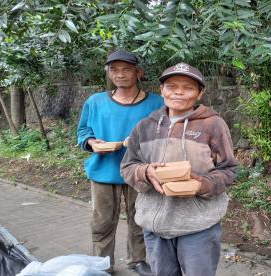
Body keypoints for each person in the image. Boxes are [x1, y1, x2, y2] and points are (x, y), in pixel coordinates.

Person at [120, 62, 238, 276]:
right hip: (154, 225)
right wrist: (146, 172)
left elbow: (229, 170)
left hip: (198, 225)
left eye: (188, 87)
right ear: (162, 90)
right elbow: (128, 167)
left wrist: (202, 184)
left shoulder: (213, 125)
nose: (179, 92)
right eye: (172, 86)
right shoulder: (145, 127)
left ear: (200, 93)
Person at [77, 50, 163, 275]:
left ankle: (138, 261)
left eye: (126, 69)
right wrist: (91, 142)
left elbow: (167, 133)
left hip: (140, 173)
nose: (120, 74)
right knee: (102, 223)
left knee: (140, 220)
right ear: (108, 73)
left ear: (139, 73)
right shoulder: (95, 101)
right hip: (104, 171)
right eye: (114, 69)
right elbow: (84, 130)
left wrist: (142, 143)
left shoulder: (157, 102)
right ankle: (102, 265)